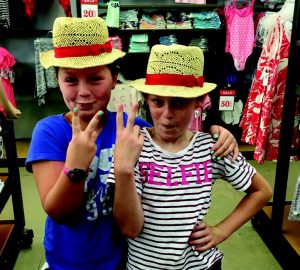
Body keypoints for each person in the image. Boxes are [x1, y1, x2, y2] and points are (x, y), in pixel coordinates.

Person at [25, 17, 240, 270]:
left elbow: (172, 137)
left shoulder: (133, 129)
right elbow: (58, 212)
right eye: (70, 80)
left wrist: (216, 131)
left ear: (114, 78)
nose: (83, 92)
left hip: (124, 259)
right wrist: (76, 166)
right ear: (57, 80)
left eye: (95, 79)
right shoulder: (49, 132)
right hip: (69, 261)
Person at [108, 44, 273, 270]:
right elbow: (129, 228)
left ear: (198, 102)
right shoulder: (133, 147)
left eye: (178, 103)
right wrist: (124, 169)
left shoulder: (212, 147)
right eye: (158, 101)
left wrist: (221, 231)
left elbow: (262, 191)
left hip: (200, 264)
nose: (167, 115)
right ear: (146, 99)